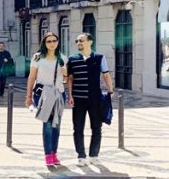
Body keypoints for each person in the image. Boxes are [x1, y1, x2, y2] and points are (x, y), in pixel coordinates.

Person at [67, 32, 113, 166]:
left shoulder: (99, 57)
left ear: (90, 42)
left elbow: (106, 75)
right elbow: (70, 78)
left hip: (95, 99)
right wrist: (70, 95)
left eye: (81, 40)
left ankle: (94, 155)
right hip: (78, 99)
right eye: (77, 41)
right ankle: (81, 156)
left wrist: (110, 91)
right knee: (78, 128)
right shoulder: (72, 59)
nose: (78, 43)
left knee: (96, 128)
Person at [27, 30, 67, 167]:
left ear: (58, 42)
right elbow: (32, 77)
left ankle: (54, 153)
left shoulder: (62, 58)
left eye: (54, 41)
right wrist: (28, 96)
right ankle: (48, 154)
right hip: (43, 93)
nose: (52, 43)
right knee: (48, 123)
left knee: (56, 124)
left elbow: (67, 80)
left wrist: (66, 74)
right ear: (44, 43)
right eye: (48, 41)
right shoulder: (38, 57)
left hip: (59, 93)